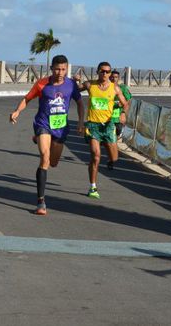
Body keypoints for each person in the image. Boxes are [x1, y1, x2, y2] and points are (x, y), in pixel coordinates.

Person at [10, 55, 84, 215]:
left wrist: (80, 121)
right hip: (43, 124)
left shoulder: (71, 85)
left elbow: (79, 102)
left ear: (67, 69)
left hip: (60, 128)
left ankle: (38, 139)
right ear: (51, 68)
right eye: (57, 69)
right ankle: (41, 202)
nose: (60, 72)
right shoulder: (42, 84)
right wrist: (17, 111)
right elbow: (27, 99)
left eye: (63, 69)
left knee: (54, 162)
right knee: (45, 158)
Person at [80, 62, 128, 199]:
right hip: (93, 126)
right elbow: (73, 90)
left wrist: (123, 113)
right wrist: (73, 81)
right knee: (95, 156)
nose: (105, 74)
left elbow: (125, 103)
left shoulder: (115, 88)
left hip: (108, 126)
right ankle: (92, 187)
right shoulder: (90, 85)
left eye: (108, 72)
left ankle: (110, 161)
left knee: (114, 157)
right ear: (98, 71)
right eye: (102, 71)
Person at [109, 70, 133, 141]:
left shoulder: (122, 88)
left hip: (118, 115)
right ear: (109, 77)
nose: (113, 79)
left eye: (116, 77)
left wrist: (123, 106)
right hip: (107, 115)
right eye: (112, 77)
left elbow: (129, 99)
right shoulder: (105, 87)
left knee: (118, 131)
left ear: (118, 78)